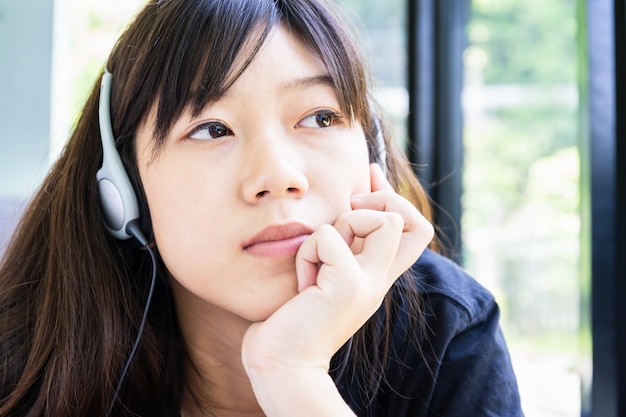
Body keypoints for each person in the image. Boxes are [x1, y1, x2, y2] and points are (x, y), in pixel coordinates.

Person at [0, 0, 524, 416]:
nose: (278, 177)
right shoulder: (29, 357)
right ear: (125, 190)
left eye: (320, 117)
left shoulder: (445, 330)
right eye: (211, 129)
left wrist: (293, 378)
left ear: (373, 157)